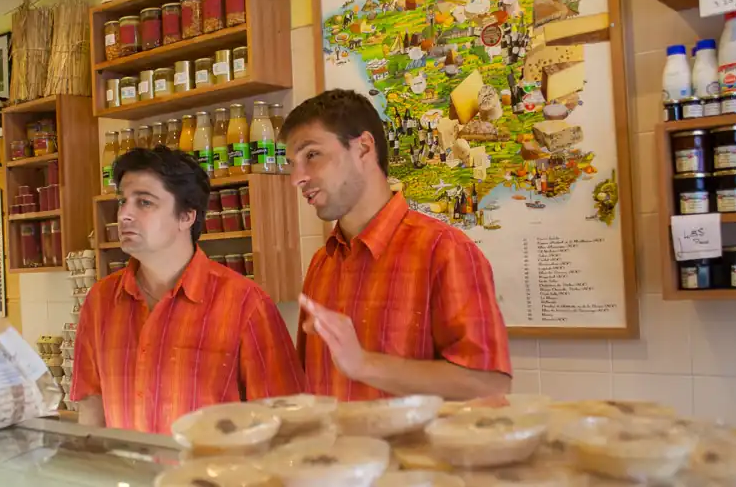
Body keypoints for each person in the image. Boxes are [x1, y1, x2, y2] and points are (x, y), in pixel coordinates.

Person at [282, 89, 512, 401]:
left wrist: (365, 364)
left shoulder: (445, 250)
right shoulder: (322, 262)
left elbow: (491, 386)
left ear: (363, 147)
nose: (297, 178)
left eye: (311, 155)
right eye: (291, 163)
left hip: (411, 451)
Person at [70, 146, 305, 432]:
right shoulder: (101, 300)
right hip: (127, 474)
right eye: (123, 201)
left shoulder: (245, 304)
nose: (124, 215)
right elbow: (92, 403)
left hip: (212, 476)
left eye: (144, 202)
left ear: (187, 217)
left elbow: (284, 421)